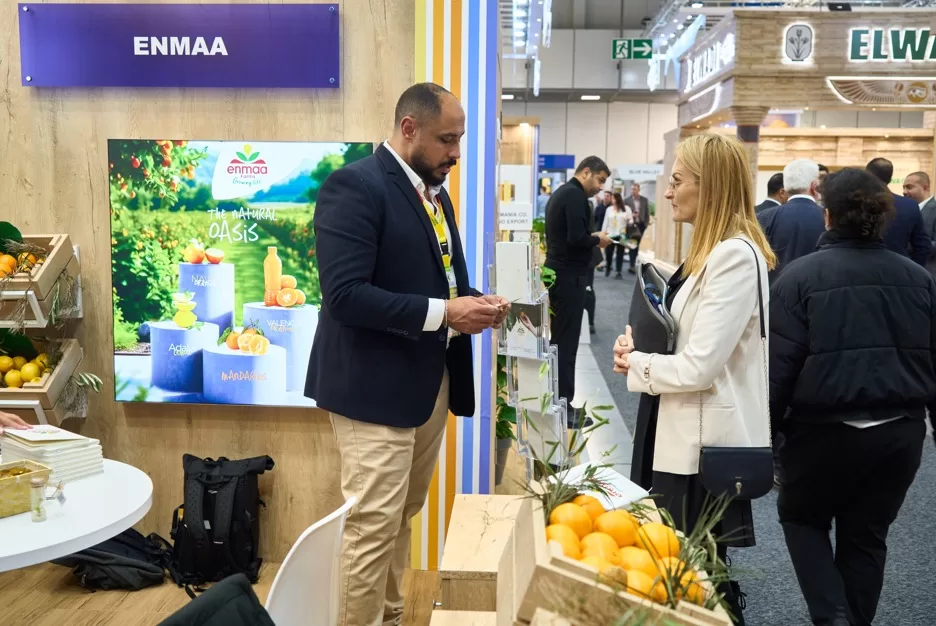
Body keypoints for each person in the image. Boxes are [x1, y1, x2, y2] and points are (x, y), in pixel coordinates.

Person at [306, 82, 509, 626]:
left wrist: (474, 303)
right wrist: (446, 313)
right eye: (447, 139)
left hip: (426, 382)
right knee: (372, 525)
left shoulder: (434, 195)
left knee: (400, 515)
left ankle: (390, 617)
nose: (456, 152)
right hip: (372, 389)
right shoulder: (355, 186)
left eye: (459, 139)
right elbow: (345, 296)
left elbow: (438, 281)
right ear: (409, 128)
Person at [612, 133, 776, 625]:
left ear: (712, 186)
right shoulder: (712, 252)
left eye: (678, 181)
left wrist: (638, 364)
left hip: (701, 450)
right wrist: (638, 350)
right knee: (687, 574)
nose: (667, 192)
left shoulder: (732, 256)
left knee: (696, 580)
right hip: (684, 435)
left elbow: (700, 366)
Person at [769, 168, 933, 626]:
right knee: (867, 537)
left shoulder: (798, 278)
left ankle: (833, 617)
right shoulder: (919, 279)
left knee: (803, 519)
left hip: (822, 435)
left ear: (827, 216)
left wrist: (763, 438)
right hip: (900, 434)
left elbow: (778, 370)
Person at [545, 157, 612, 427]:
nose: (600, 187)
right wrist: (598, 239)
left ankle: (559, 402)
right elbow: (576, 238)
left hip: (561, 275)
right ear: (586, 172)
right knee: (566, 343)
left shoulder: (564, 193)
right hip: (568, 277)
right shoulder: (575, 196)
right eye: (600, 180)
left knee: (561, 341)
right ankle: (563, 406)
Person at [756, 159, 825, 282]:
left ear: (785, 188)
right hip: (815, 288)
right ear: (814, 186)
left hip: (774, 289)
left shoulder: (763, 217)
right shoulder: (828, 217)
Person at [866, 157, 930, 265]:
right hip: (899, 269)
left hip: (861, 269)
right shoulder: (910, 206)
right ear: (890, 179)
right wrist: (912, 270)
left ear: (867, 176)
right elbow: (923, 246)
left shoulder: (856, 203)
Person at [902, 171, 936, 274]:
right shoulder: (906, 210)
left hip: (928, 273)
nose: (904, 192)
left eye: (909, 187)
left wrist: (909, 242)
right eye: (903, 187)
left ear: (925, 187)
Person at [602, 192, 633, 279]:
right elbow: (605, 222)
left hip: (621, 235)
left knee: (620, 254)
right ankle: (608, 266)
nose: (612, 200)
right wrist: (603, 233)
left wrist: (629, 221)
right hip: (610, 234)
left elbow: (631, 221)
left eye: (613, 198)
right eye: (612, 198)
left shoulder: (626, 209)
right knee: (608, 253)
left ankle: (618, 271)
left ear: (618, 199)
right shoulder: (609, 209)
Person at [623, 183, 651, 274]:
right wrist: (632, 216)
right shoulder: (626, 200)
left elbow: (647, 213)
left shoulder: (644, 200)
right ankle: (632, 265)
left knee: (637, 245)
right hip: (631, 225)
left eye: (635, 189)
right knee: (632, 244)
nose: (633, 191)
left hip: (640, 225)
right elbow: (624, 213)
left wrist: (645, 224)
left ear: (638, 190)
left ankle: (633, 262)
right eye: (632, 189)